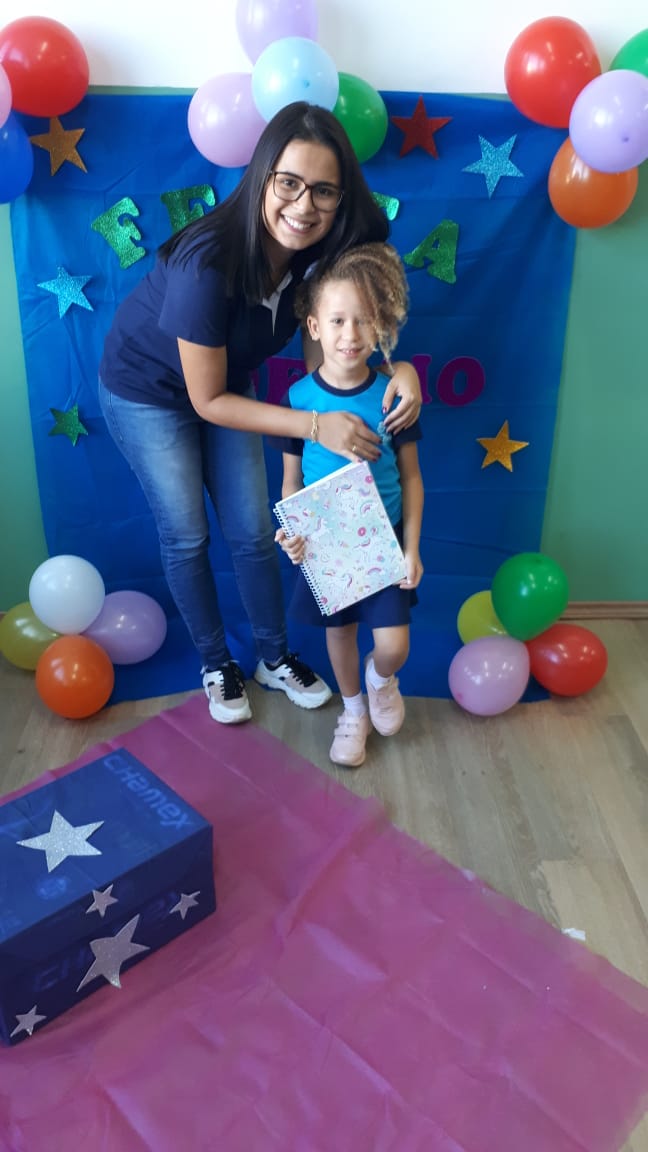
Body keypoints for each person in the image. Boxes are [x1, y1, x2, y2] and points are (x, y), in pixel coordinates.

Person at [98, 101, 422, 726]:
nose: (304, 206)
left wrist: (400, 370)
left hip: (227, 383)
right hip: (148, 393)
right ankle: (216, 661)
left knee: (252, 529)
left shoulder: (318, 251)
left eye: (323, 191)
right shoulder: (207, 261)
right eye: (289, 183)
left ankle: (274, 656)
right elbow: (207, 402)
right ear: (262, 177)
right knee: (187, 533)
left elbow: (337, 354)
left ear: (340, 198)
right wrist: (315, 424)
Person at [273, 242, 424, 768]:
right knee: (339, 633)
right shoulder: (298, 401)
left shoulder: (393, 395)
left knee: (394, 644)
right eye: (338, 321)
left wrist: (412, 549)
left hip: (384, 542)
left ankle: (380, 681)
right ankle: (353, 709)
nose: (351, 334)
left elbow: (412, 478)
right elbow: (290, 483)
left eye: (363, 321)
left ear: (379, 326)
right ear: (315, 327)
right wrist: (292, 531)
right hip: (326, 543)